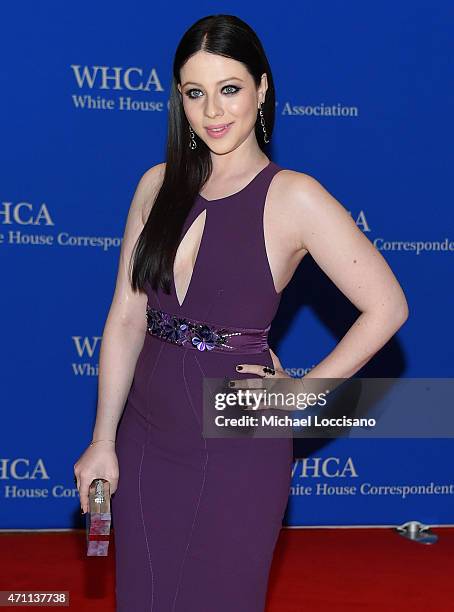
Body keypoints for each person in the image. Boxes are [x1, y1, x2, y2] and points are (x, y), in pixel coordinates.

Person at [73, 13, 409, 611]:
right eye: (195, 93)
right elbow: (126, 317)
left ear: (262, 88)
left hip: (240, 429)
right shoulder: (156, 185)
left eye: (229, 88)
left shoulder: (294, 196)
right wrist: (103, 440)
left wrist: (304, 392)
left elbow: (387, 306)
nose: (213, 111)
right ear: (179, 98)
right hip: (147, 433)